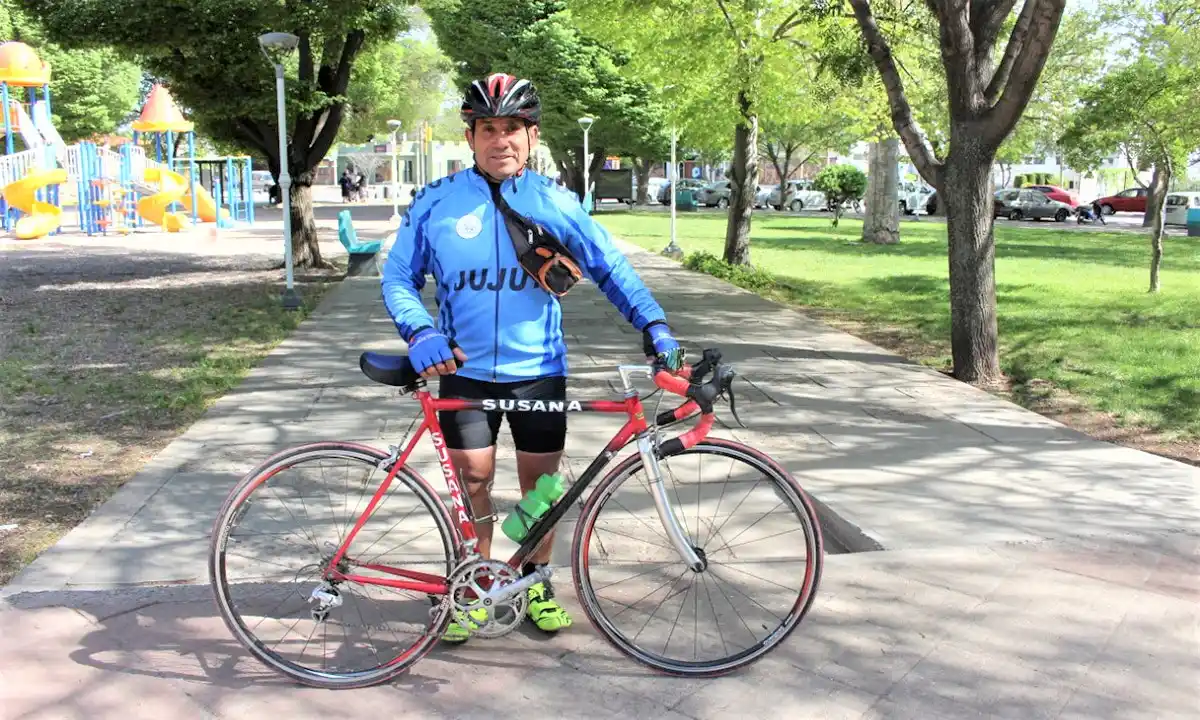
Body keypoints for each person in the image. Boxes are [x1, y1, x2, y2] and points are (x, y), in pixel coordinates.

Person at [380, 72, 683, 643]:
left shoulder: (556, 202)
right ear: (470, 137)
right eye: (488, 129)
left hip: (538, 372)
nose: (501, 140)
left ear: (532, 135)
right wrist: (419, 331)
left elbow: (610, 266)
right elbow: (398, 276)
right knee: (472, 481)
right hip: (463, 371)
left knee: (540, 487)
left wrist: (654, 323)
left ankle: (533, 580)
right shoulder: (437, 202)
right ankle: (474, 587)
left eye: (512, 128)